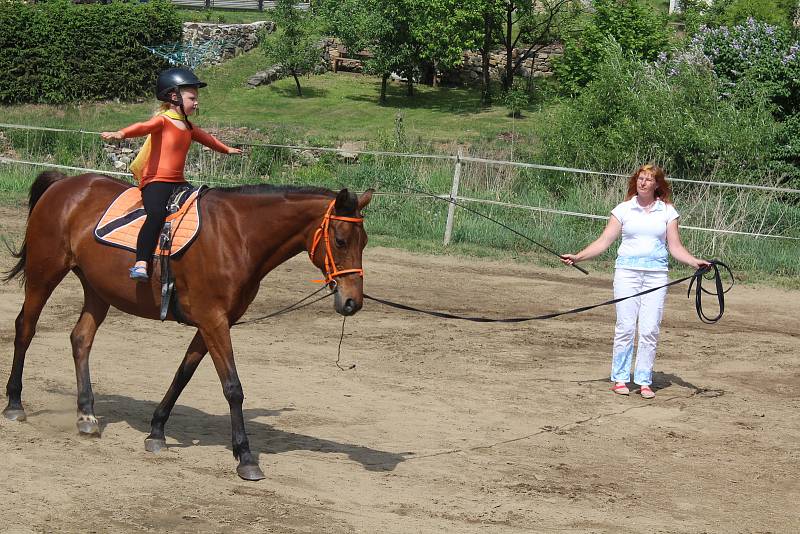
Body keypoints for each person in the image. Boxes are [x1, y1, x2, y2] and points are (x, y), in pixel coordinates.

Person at [560, 164, 710, 399]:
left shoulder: (668, 212)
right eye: (640, 178)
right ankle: (620, 378)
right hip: (627, 273)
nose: (643, 183)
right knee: (626, 327)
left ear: (657, 184)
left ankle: (643, 380)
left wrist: (694, 262)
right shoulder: (623, 209)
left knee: (650, 329)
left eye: (649, 179)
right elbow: (604, 241)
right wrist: (579, 256)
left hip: (656, 275)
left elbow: (676, 247)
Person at [101, 67, 241, 280]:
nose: (196, 103)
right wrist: (122, 133)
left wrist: (226, 149)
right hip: (156, 182)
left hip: (179, 182)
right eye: (192, 98)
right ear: (174, 97)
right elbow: (142, 127)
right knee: (156, 215)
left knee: (200, 208)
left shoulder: (188, 126)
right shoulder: (163, 121)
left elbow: (208, 139)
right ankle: (140, 262)